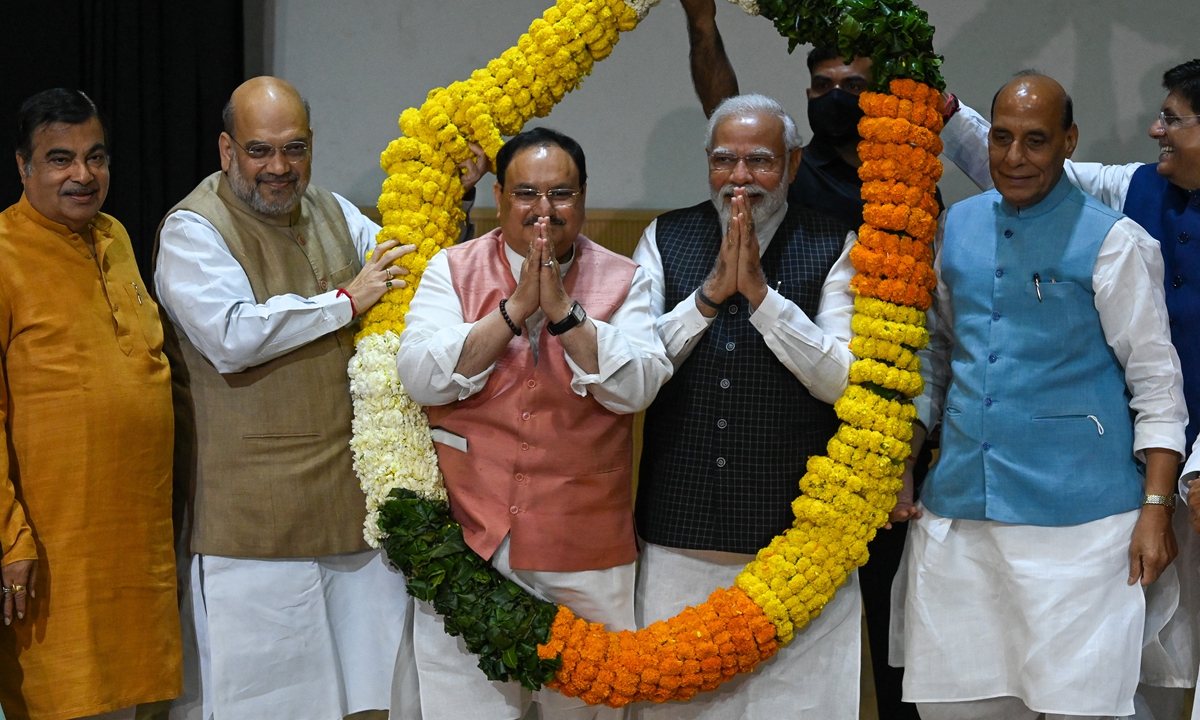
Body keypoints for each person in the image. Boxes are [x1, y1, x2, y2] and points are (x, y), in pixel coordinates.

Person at [677, 5, 991, 714]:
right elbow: (723, 104)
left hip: (898, 422)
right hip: (802, 430)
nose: (838, 98)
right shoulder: (790, 169)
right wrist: (703, 25)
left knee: (900, 636)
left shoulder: (914, 168)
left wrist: (909, 435)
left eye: (856, 83)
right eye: (823, 86)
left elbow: (929, 321)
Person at [153, 76, 485, 720]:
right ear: (226, 150)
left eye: (294, 148)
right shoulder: (193, 230)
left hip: (348, 508)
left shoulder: (332, 210)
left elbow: (407, 266)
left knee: (371, 698)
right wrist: (344, 303)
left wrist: (456, 194)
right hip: (252, 520)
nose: (279, 167)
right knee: (270, 700)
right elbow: (229, 335)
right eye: (260, 150)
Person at [895, 73, 1187, 720]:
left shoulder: (1113, 240)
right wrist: (907, 462)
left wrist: (1156, 509)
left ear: (1068, 143)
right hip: (961, 515)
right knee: (959, 704)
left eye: (1034, 141)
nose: (1013, 157)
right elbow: (937, 354)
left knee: (1085, 706)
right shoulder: (956, 227)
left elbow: (1157, 383)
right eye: (1000, 138)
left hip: (1085, 529)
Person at [394, 127, 672, 720]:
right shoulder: (453, 268)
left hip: (587, 555)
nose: (543, 210)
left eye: (560, 194)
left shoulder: (627, 279)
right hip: (471, 546)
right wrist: (513, 310)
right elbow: (420, 376)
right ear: (498, 196)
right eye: (526, 193)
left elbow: (640, 386)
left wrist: (566, 317)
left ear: (583, 197)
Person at [629, 93, 858, 719]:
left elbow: (843, 380)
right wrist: (707, 298)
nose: (739, 177)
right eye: (724, 160)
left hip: (798, 545)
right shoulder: (665, 236)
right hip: (678, 536)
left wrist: (762, 299)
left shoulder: (833, 242)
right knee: (678, 702)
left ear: (791, 163)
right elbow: (633, 370)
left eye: (759, 161)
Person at [0, 89, 182, 719]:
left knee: (138, 703)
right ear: (23, 166)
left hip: (136, 546)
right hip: (53, 556)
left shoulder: (116, 238)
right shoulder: (4, 252)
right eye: (59, 159)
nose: (83, 175)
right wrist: (10, 537)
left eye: (95, 157)